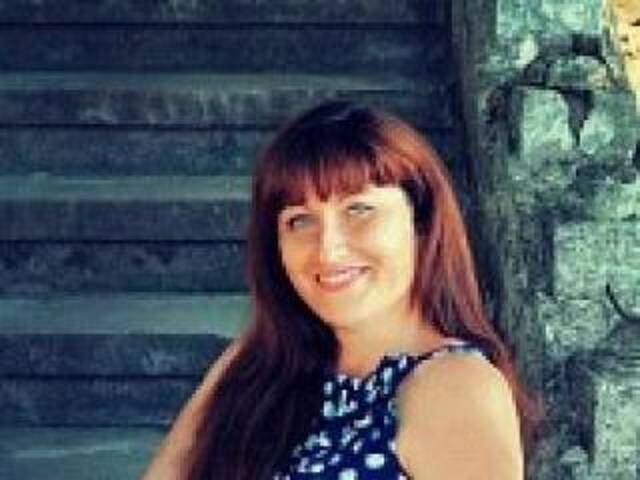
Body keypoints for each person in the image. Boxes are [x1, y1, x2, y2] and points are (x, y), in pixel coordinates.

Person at [141, 100, 542, 480]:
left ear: (420, 223)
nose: (328, 250)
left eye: (358, 210)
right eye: (300, 221)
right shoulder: (259, 363)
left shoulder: (454, 386)